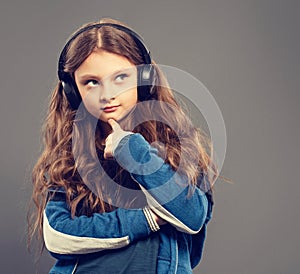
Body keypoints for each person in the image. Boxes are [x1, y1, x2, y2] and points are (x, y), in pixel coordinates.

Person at [28, 18, 217, 274]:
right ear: (73, 91)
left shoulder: (177, 146)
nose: (107, 94)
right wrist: (148, 218)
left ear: (144, 77)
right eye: (91, 82)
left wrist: (129, 150)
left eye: (120, 78)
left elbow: (191, 215)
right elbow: (58, 236)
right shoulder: (70, 158)